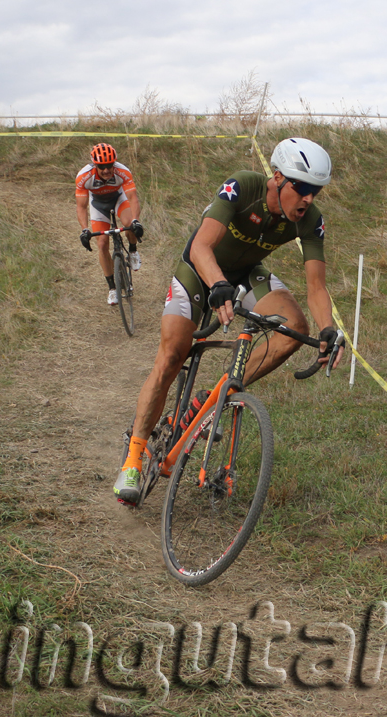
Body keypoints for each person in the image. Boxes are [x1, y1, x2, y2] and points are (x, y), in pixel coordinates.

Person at [114, 136, 344, 505]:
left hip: (247, 273)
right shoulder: (244, 186)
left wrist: (329, 329)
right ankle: (133, 458)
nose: (309, 199)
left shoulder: (310, 220)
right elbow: (201, 246)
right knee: (173, 356)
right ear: (279, 179)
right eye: (302, 189)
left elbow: (317, 286)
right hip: (199, 269)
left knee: (296, 327)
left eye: (316, 191)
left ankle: (212, 401)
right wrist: (217, 283)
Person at [76, 143, 144, 306]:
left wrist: (136, 220)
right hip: (98, 204)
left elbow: (132, 197)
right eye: (101, 167)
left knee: (129, 224)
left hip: (119, 199)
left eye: (109, 165)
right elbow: (81, 206)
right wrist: (84, 230)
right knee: (102, 243)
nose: (106, 170)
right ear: (94, 165)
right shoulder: (84, 176)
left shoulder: (123, 171)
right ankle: (112, 288)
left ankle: (133, 251)